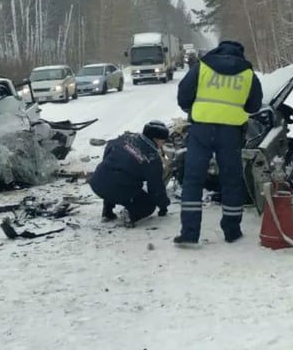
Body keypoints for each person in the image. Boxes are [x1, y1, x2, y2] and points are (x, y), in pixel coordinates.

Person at [175, 40, 263, 245]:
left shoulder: (202, 66)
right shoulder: (248, 73)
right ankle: (232, 231)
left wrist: (195, 110)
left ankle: (189, 233)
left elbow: (183, 95)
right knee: (231, 181)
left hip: (201, 130)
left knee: (193, 181)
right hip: (231, 133)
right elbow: (254, 106)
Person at [89, 121, 171, 226]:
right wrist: (163, 205)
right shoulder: (152, 158)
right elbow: (155, 187)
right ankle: (131, 215)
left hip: (98, 181)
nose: (163, 145)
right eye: (163, 141)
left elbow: (109, 147)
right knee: (149, 205)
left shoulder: (126, 138)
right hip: (120, 189)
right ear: (155, 139)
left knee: (112, 178)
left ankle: (107, 211)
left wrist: (108, 165)